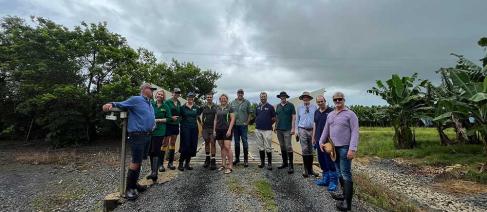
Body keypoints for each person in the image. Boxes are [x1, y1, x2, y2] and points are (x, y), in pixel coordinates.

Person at [102, 83, 156, 200]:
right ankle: (129, 189)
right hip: (137, 135)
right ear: (144, 89)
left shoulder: (150, 103)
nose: (153, 91)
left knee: (140, 161)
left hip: (147, 135)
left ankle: (134, 184)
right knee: (136, 161)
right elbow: (121, 104)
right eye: (151, 89)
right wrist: (110, 104)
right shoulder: (136, 99)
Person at [319, 92, 359, 211]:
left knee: (346, 173)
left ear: (344, 100)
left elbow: (355, 132)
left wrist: (352, 148)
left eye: (339, 99)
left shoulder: (350, 114)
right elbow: (326, 129)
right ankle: (343, 195)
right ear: (333, 101)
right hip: (333, 148)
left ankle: (347, 203)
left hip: (345, 148)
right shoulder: (330, 115)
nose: (337, 101)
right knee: (339, 172)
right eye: (335, 99)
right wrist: (321, 141)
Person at [147, 90, 174, 182]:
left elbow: (169, 118)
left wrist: (158, 120)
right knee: (150, 151)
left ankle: (155, 173)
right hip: (150, 130)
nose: (159, 95)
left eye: (161, 94)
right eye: (158, 94)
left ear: (163, 97)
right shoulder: (151, 104)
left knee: (156, 150)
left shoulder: (165, 106)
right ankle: (152, 172)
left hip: (160, 131)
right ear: (156, 95)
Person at [312, 95, 338, 191]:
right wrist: (314, 138)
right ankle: (325, 179)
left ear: (325, 101)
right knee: (322, 160)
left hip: (328, 141)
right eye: (318, 102)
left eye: (321, 101)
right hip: (319, 140)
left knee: (330, 161)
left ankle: (333, 182)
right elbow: (315, 125)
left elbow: (335, 126)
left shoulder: (331, 111)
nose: (320, 103)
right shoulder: (316, 112)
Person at [296, 91, 319, 178]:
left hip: (312, 130)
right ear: (302, 99)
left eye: (307, 97)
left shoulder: (314, 107)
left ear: (309, 98)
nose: (305, 99)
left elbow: (316, 120)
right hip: (302, 129)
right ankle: (306, 169)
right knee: (305, 149)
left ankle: (311, 170)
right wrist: (297, 132)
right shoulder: (299, 108)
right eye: (304, 97)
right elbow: (297, 120)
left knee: (311, 149)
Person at [178, 92, 203, 171]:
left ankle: (187, 163)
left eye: (192, 97)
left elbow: (198, 116)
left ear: (193, 98)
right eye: (189, 97)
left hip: (194, 129)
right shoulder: (182, 107)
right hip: (185, 129)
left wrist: (202, 125)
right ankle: (181, 163)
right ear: (187, 98)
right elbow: (179, 117)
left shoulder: (196, 107)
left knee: (192, 146)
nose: (190, 99)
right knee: (185, 146)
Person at [275, 91, 296, 174]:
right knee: (282, 146)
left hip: (287, 129)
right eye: (281, 96)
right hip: (279, 129)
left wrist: (293, 128)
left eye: (284, 96)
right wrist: (275, 126)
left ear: (286, 97)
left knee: (288, 146)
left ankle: (291, 165)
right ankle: (285, 163)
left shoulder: (291, 105)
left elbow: (293, 117)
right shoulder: (278, 106)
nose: (282, 97)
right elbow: (277, 117)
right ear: (280, 97)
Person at [214, 94, 235, 174]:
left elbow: (232, 119)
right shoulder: (217, 108)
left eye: (224, 98)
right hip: (218, 130)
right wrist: (214, 130)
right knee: (222, 147)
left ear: (227, 99)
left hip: (227, 130)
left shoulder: (230, 108)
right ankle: (223, 164)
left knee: (227, 147)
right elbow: (215, 120)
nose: (223, 100)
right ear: (220, 99)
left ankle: (230, 166)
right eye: (221, 98)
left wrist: (229, 130)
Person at [230, 89, 252, 167]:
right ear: (237, 94)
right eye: (239, 93)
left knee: (244, 142)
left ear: (243, 94)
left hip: (243, 126)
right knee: (236, 142)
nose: (240, 94)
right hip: (235, 126)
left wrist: (247, 122)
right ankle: (237, 159)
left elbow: (250, 113)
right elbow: (230, 113)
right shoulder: (232, 102)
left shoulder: (247, 102)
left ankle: (246, 160)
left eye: (241, 93)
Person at [161, 88, 181, 171]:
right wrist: (170, 117)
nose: (177, 94)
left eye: (178, 93)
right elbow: (163, 112)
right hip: (168, 125)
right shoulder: (167, 102)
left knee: (172, 143)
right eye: (176, 92)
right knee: (165, 143)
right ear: (172, 93)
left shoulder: (179, 103)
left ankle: (170, 163)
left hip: (175, 125)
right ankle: (160, 164)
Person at [254, 92, 276, 170]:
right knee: (260, 147)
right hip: (258, 129)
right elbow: (256, 116)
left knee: (268, 147)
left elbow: (274, 118)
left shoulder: (270, 107)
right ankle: (262, 163)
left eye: (264, 96)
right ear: (260, 97)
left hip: (267, 130)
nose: (263, 98)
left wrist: (269, 123)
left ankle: (269, 163)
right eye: (261, 96)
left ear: (266, 97)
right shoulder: (257, 107)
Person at [201, 93, 218, 170]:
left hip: (213, 128)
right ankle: (207, 158)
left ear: (212, 98)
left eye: (210, 97)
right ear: (206, 98)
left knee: (213, 142)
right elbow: (197, 115)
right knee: (207, 142)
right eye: (208, 97)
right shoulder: (203, 106)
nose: (209, 98)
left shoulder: (216, 107)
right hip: (205, 128)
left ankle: (213, 160)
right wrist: (201, 124)